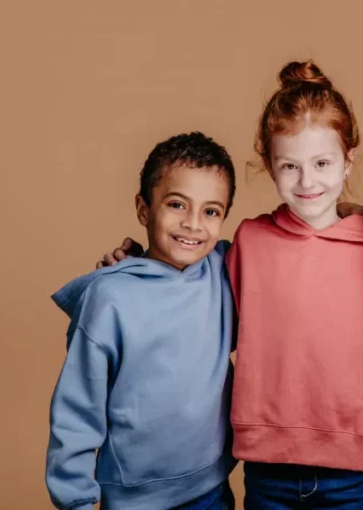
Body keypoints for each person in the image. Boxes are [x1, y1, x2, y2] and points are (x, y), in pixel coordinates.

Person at [98, 60, 363, 509]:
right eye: (289, 166)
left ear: (348, 161)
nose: (307, 181)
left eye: (322, 163)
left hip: (354, 470)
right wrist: (138, 270)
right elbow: (190, 288)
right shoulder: (250, 242)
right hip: (267, 467)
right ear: (269, 166)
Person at [46, 132, 237, 510]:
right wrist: (76, 500)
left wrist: (350, 213)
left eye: (211, 211)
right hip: (134, 499)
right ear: (144, 209)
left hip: (211, 488)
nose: (193, 224)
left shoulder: (224, 271)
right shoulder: (110, 299)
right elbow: (76, 411)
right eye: (177, 204)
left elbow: (285, 241)